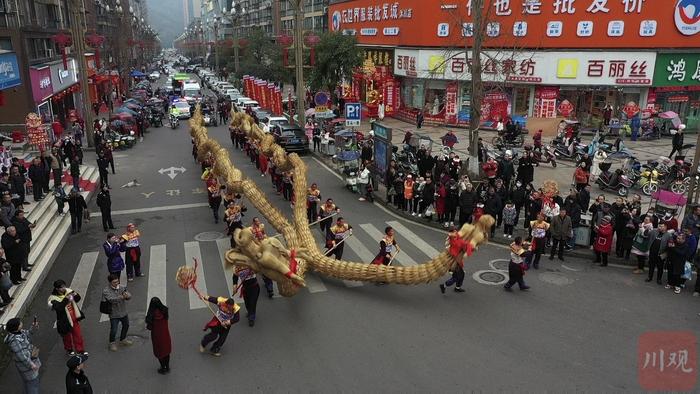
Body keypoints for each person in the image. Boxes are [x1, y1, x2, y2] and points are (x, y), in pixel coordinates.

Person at [48, 279, 86, 356]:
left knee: (78, 334)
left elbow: (78, 299)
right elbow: (59, 308)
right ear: (57, 288)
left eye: (64, 286)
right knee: (66, 336)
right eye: (61, 287)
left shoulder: (69, 291)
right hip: (63, 319)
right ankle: (69, 349)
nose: (64, 288)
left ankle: (80, 350)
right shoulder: (53, 298)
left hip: (74, 317)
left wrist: (75, 294)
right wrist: (66, 299)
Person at [4, 317, 41, 394]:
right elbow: (21, 355)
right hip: (27, 365)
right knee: (32, 382)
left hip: (31, 360)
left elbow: (29, 333)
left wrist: (33, 326)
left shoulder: (20, 332)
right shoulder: (14, 341)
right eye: (20, 323)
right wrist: (31, 365)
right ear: (16, 327)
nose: (21, 323)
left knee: (30, 381)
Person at [102, 273, 133, 352]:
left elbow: (128, 295)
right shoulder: (106, 291)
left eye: (117, 281)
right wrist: (122, 297)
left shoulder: (122, 288)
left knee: (126, 325)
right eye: (114, 282)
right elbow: (112, 299)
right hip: (114, 314)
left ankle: (123, 339)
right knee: (114, 330)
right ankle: (112, 343)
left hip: (123, 311)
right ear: (110, 282)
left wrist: (128, 296)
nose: (117, 283)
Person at [145, 297, 172, 374]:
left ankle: (163, 368)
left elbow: (149, 327)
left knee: (160, 353)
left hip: (157, 337)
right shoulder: (165, 310)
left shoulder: (151, 316)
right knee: (166, 352)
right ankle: (167, 367)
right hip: (165, 334)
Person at [440, 227, 469, 293]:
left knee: (460, 275)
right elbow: (464, 248)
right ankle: (444, 285)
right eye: (455, 231)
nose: (456, 232)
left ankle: (457, 287)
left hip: (453, 260)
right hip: (456, 261)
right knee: (457, 276)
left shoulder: (451, 239)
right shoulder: (458, 241)